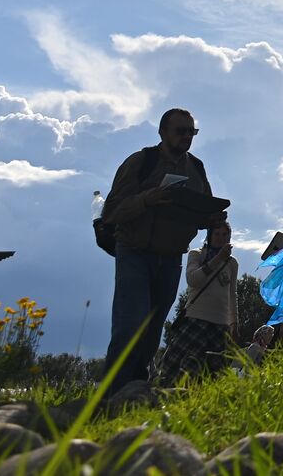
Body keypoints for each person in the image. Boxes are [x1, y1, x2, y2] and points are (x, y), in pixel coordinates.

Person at [101, 108, 220, 389]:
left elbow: (205, 209)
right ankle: (112, 393)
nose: (187, 137)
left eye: (192, 132)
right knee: (130, 325)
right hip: (134, 253)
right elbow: (111, 211)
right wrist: (147, 199)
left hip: (171, 259)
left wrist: (213, 217)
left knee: (153, 330)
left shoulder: (196, 168)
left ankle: (136, 388)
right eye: (181, 131)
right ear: (162, 132)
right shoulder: (141, 162)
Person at [154, 221, 239, 386]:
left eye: (224, 235)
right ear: (209, 235)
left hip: (220, 325)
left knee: (215, 373)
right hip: (196, 319)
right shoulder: (197, 254)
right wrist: (217, 259)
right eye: (217, 234)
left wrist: (234, 321)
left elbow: (232, 293)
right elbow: (193, 279)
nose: (221, 238)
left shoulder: (232, 263)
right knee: (181, 368)